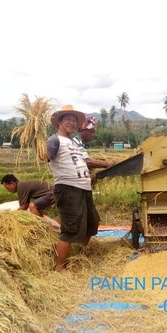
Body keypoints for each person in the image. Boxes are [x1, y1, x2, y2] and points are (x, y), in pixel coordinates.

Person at [46, 105, 100, 272]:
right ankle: (60, 269)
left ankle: (78, 255)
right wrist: (44, 153)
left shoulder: (73, 142)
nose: (71, 122)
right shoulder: (54, 140)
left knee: (92, 223)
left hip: (83, 188)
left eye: (74, 120)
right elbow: (46, 155)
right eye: (67, 119)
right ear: (59, 122)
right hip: (68, 188)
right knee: (70, 229)